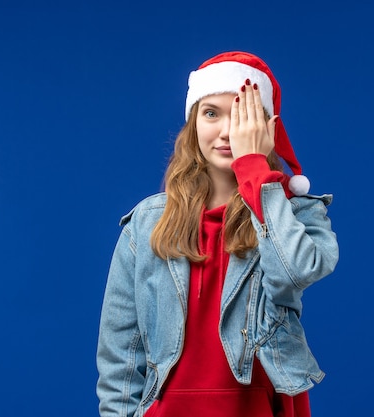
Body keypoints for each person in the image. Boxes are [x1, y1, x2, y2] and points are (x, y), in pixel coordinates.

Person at [96, 51, 339, 417]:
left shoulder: (295, 212)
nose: (228, 131)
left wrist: (255, 170)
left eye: (244, 115)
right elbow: (121, 357)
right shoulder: (146, 223)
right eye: (212, 113)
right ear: (193, 123)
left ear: (267, 127)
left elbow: (296, 272)